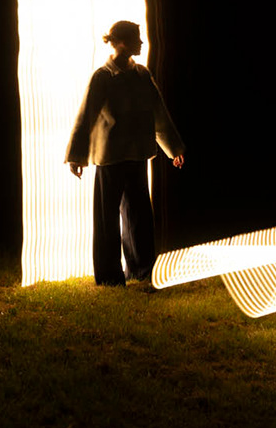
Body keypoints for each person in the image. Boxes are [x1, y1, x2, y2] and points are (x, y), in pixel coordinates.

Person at [66, 20, 186, 286]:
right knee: (107, 219)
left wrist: (174, 148)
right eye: (135, 39)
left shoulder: (142, 75)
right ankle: (110, 276)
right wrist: (76, 155)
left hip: (137, 154)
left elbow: (158, 113)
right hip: (110, 157)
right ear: (120, 42)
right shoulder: (103, 77)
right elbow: (86, 116)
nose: (141, 43)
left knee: (139, 216)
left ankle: (142, 270)